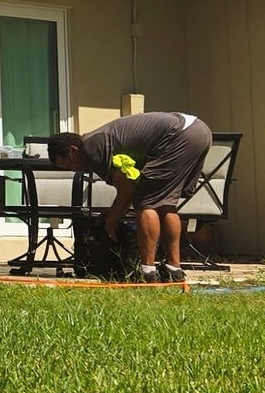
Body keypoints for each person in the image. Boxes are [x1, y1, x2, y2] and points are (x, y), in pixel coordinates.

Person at [48, 112, 211, 283]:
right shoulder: (96, 141)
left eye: (68, 165)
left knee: (146, 203)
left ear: (73, 150)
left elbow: (128, 191)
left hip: (179, 135)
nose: (73, 170)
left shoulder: (91, 149)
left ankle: (147, 271)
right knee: (165, 204)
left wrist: (112, 220)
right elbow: (127, 186)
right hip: (199, 131)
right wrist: (113, 211)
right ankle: (173, 269)